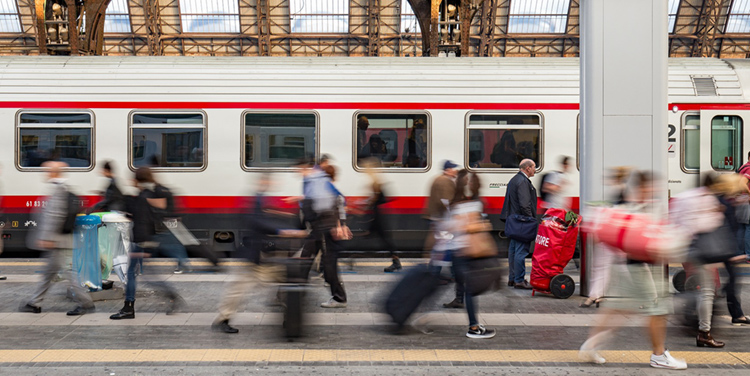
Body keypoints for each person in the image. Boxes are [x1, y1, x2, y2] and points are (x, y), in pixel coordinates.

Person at [579, 171, 687, 370]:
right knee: (658, 310)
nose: (654, 190)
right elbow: (646, 242)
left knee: (617, 309)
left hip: (626, 267)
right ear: (642, 187)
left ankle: (590, 345)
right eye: (651, 187)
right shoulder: (637, 208)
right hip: (637, 267)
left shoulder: (632, 206)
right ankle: (659, 355)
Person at [213, 174, 307, 334]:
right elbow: (257, 222)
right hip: (254, 256)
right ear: (261, 182)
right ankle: (223, 319)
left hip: (264, 256)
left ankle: (289, 318)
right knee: (238, 288)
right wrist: (283, 231)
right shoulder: (253, 200)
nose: (270, 184)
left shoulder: (262, 200)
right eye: (267, 181)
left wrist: (283, 224)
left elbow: (265, 220)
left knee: (287, 282)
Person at [19, 161, 95, 316]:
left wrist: (47, 237)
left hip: (57, 239)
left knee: (69, 273)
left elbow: (55, 216)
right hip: (60, 239)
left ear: (54, 172)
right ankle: (35, 302)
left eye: (48, 170)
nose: (45, 173)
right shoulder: (63, 188)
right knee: (49, 273)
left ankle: (86, 303)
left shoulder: (58, 190)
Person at [110, 167, 183, 320]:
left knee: (135, 275)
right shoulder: (152, 194)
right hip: (148, 239)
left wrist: (140, 243)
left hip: (141, 241)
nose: (131, 181)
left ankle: (129, 307)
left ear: (137, 180)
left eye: (133, 178)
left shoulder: (143, 197)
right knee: (145, 275)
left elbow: (142, 221)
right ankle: (170, 296)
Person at [446, 170, 496, 339]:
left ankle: (473, 324)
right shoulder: (474, 204)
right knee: (470, 289)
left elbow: (452, 227)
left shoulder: (454, 204)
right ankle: (473, 327)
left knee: (466, 287)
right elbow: (470, 226)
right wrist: (481, 225)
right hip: (467, 253)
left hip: (458, 251)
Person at [297, 159, 348, 308]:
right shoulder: (321, 186)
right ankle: (297, 290)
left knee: (328, 266)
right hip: (319, 231)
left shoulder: (325, 187)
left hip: (324, 231)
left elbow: (339, 203)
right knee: (306, 259)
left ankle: (339, 297)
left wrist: (339, 225)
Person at [499, 159, 537, 289]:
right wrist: (531, 219)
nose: (535, 170)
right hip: (522, 222)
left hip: (514, 221)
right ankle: (519, 280)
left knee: (513, 251)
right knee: (521, 251)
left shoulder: (514, 179)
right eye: (533, 167)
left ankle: (512, 278)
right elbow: (525, 204)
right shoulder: (522, 182)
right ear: (527, 168)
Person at [361, 158, 401, 272]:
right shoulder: (377, 182)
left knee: (385, 240)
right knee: (384, 239)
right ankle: (395, 261)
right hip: (379, 215)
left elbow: (376, 199)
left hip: (379, 216)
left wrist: (367, 204)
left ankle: (396, 262)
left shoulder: (375, 183)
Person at [736, 151, 750, 261]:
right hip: (747, 200)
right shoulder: (749, 168)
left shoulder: (742, 167)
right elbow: (742, 183)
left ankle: (740, 253)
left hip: (740, 199)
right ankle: (748, 254)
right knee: (748, 228)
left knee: (741, 228)